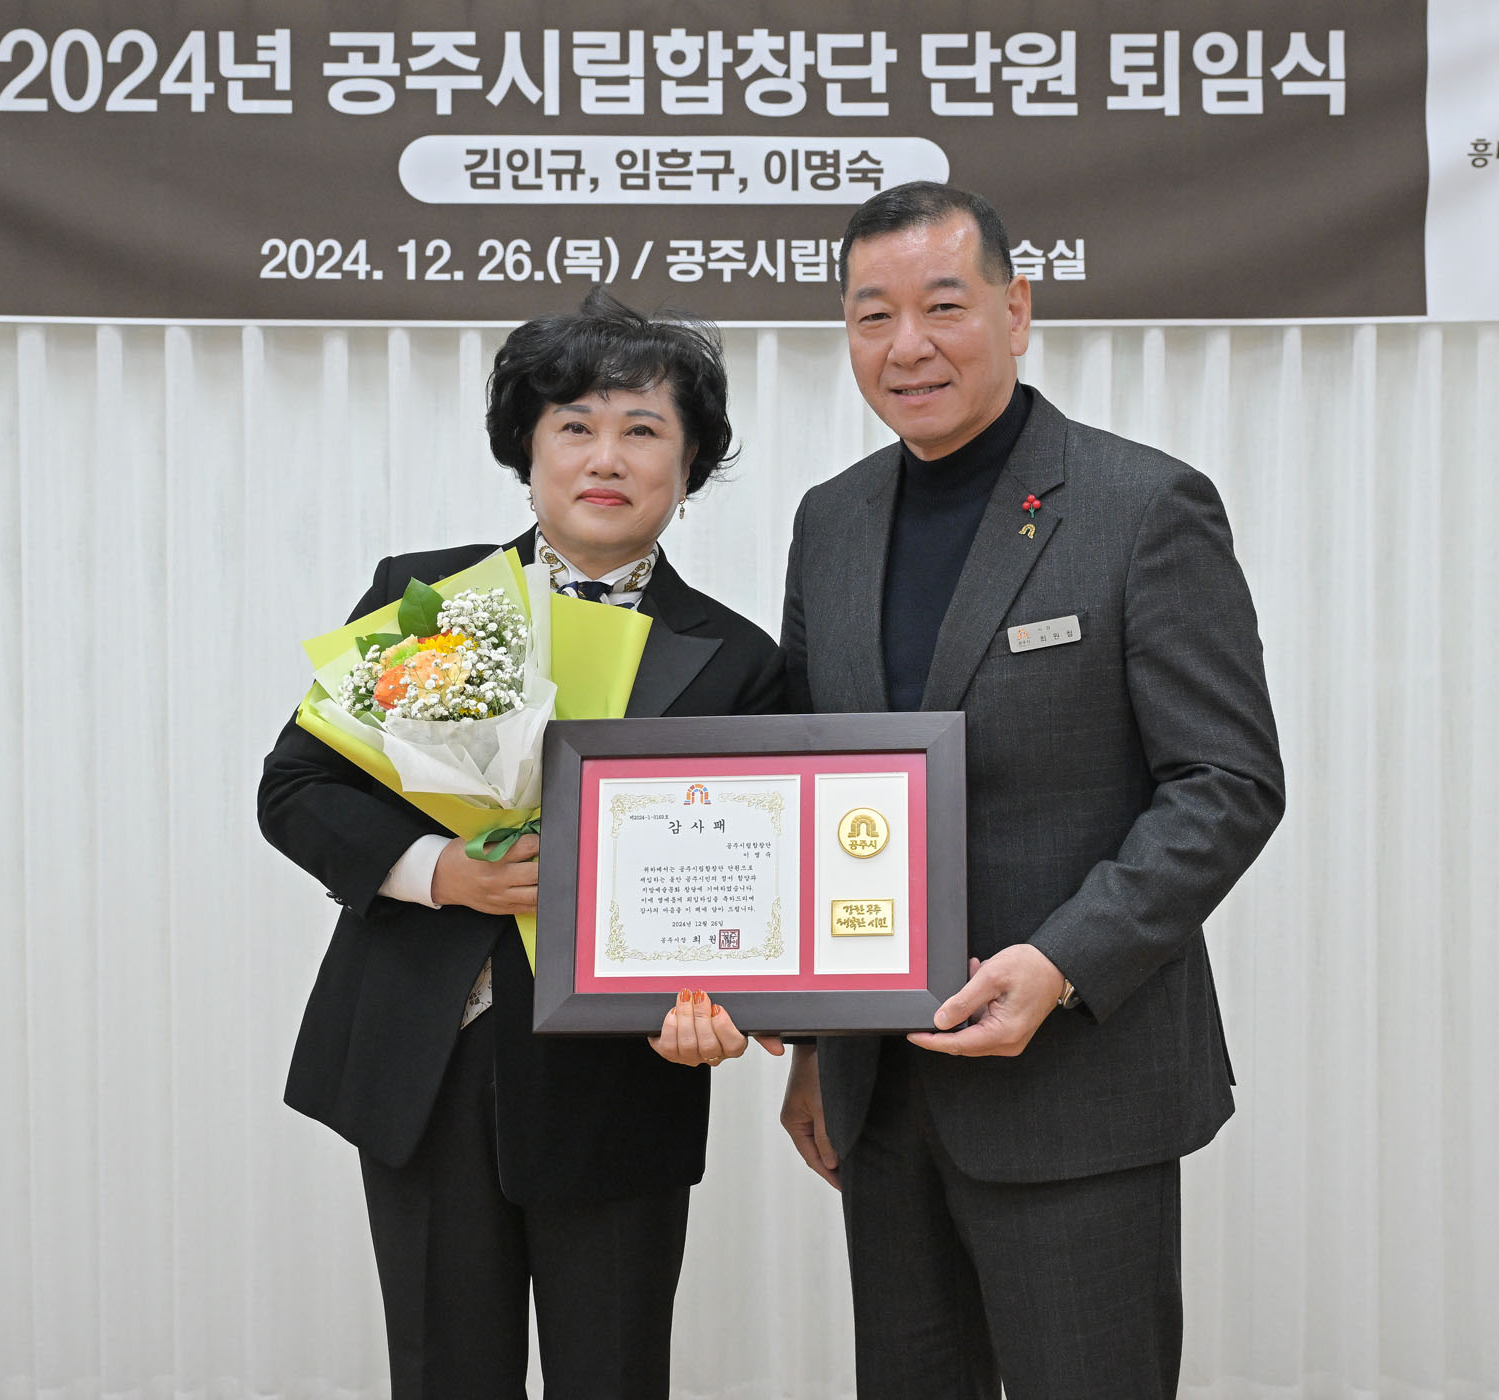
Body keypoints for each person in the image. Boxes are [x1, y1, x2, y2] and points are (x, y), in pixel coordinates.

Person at [774, 182, 1285, 1398]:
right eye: (872, 316)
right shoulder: (830, 523)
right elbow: (815, 781)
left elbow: (1225, 780)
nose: (908, 345)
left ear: (1016, 311)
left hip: (1077, 1089)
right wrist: (810, 1039)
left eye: (943, 306)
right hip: (882, 1094)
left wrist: (1060, 961)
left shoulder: (1141, 505)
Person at [256, 288, 781, 1400]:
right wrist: (443, 873)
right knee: (443, 1373)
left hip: (619, 1080)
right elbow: (296, 788)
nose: (607, 456)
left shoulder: (740, 658)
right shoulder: (429, 601)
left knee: (614, 1375)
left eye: (644, 429)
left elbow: (760, 871)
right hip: (426, 1058)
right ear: (528, 448)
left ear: (689, 463)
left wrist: (730, 997)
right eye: (575, 424)